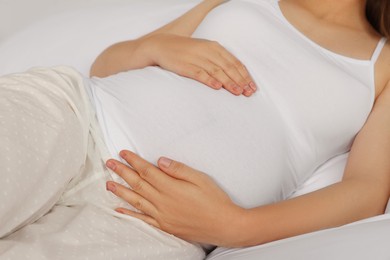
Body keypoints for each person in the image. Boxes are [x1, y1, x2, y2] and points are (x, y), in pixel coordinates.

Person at [0, 0, 389, 258]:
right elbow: (105, 64)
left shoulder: (384, 62)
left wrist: (237, 226)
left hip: (159, 225)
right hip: (75, 116)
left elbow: (367, 190)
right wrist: (155, 48)